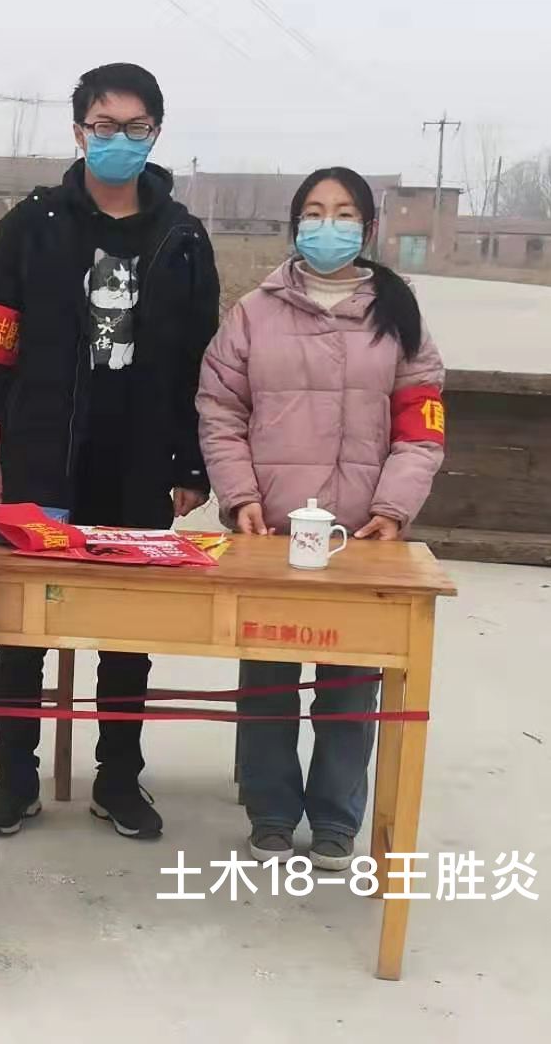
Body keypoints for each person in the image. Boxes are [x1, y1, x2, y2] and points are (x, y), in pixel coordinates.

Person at [0, 63, 220, 840]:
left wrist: (192, 462)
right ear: (79, 132)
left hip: (138, 461)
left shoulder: (183, 239)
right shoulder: (32, 225)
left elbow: (201, 363)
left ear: (156, 134)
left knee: (127, 630)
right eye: (104, 126)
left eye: (135, 128)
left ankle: (118, 778)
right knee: (23, 624)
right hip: (42, 454)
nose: (118, 140)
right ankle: (14, 776)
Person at [197, 166, 446, 869]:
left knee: (351, 685)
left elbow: (421, 422)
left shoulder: (400, 314)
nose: (326, 225)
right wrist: (240, 494)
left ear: (367, 228)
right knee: (269, 681)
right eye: (313, 211)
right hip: (272, 531)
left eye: (342, 213)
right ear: (295, 224)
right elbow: (220, 408)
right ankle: (272, 812)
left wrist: (393, 507)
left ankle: (337, 819)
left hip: (362, 536)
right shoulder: (254, 313)